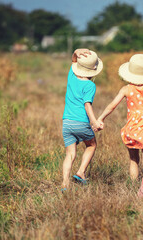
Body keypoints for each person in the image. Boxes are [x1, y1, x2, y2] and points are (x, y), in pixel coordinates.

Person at [97, 53, 143, 197]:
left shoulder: (126, 89)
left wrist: (100, 118)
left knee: (133, 160)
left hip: (132, 129)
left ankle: (133, 186)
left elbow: (112, 106)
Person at [61, 48, 103, 192]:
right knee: (91, 145)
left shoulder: (71, 76)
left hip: (66, 122)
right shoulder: (90, 85)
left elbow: (73, 59)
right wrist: (94, 122)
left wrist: (76, 51)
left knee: (70, 154)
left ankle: (65, 184)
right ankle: (81, 172)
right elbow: (87, 105)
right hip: (81, 122)